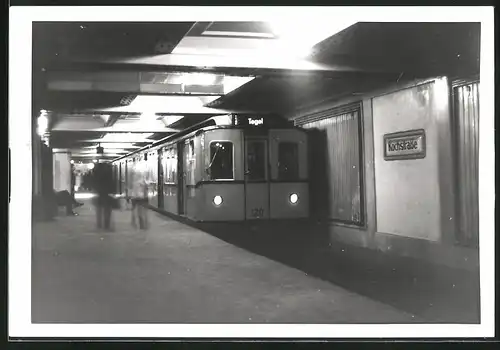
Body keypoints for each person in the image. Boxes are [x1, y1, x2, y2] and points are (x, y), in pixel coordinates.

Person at [93, 162, 115, 230]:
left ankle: (99, 224)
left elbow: (94, 183)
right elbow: (112, 183)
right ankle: (106, 225)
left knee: (99, 210)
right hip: (107, 194)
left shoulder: (97, 174)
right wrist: (112, 192)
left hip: (99, 194)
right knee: (107, 210)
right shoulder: (110, 174)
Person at [128, 163, 149, 230]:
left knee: (134, 210)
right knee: (141, 211)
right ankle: (142, 225)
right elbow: (145, 189)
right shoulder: (142, 182)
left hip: (135, 197)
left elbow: (131, 189)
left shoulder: (134, 182)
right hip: (140, 198)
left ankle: (134, 222)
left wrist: (130, 196)